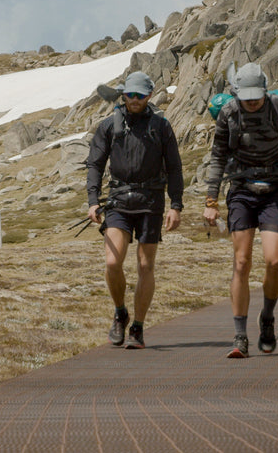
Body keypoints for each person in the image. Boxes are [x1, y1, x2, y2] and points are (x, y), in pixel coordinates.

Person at [202, 63, 278, 358]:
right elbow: (218, 156)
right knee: (241, 262)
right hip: (241, 191)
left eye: (255, 97)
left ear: (264, 91)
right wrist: (211, 201)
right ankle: (239, 336)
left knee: (274, 261)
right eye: (245, 97)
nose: (250, 102)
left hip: (274, 191)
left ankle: (268, 317)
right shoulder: (228, 113)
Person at [86, 71, 184, 349]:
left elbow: (175, 167)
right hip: (118, 199)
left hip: (151, 202)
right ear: (123, 95)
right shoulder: (108, 126)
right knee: (112, 262)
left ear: (149, 96)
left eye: (140, 95)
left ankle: (138, 328)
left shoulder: (161, 127)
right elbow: (94, 164)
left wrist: (175, 205)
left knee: (145, 265)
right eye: (130, 95)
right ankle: (120, 312)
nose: (135, 100)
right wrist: (93, 200)